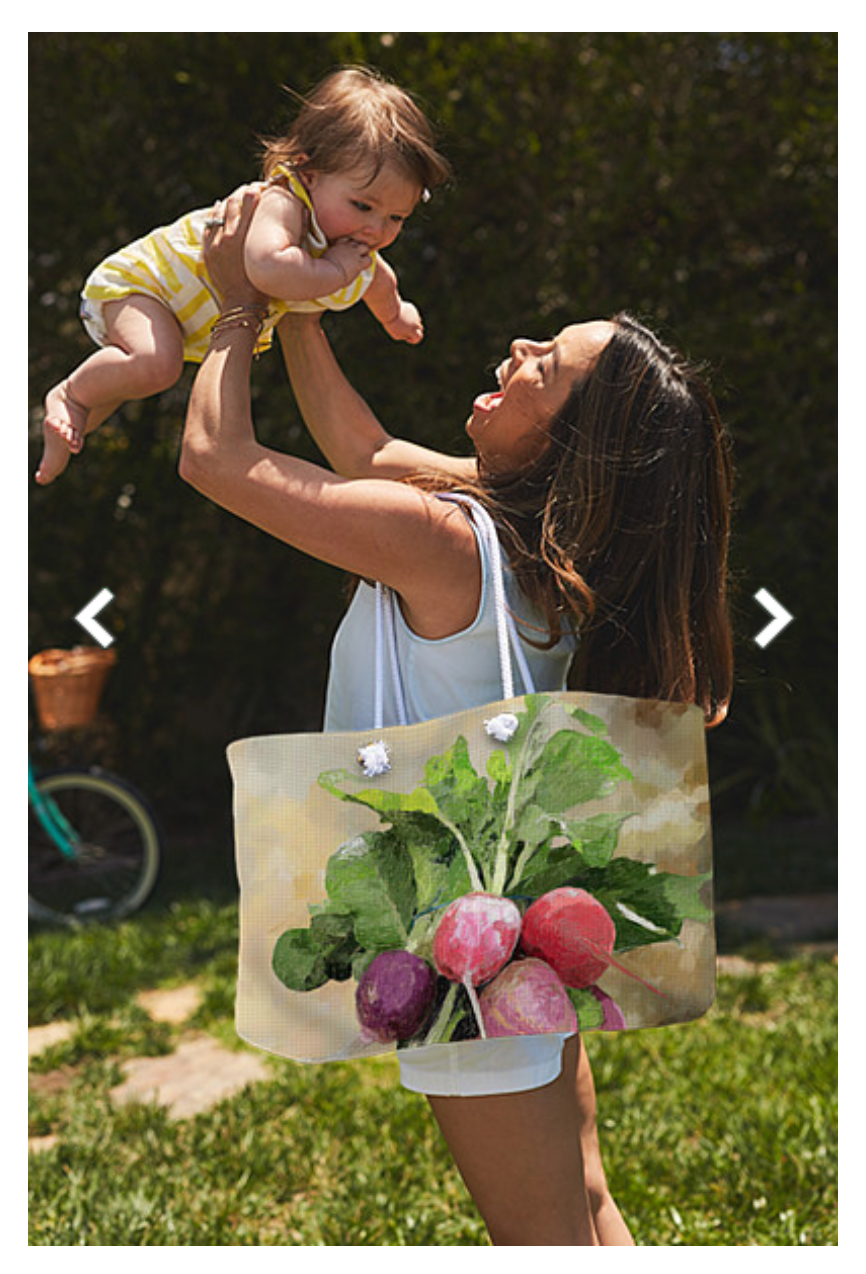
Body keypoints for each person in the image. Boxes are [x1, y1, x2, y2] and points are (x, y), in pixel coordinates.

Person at [179, 188, 734, 1246]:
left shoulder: (445, 537)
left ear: (575, 443)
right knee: (585, 1211)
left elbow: (213, 459)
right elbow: (358, 442)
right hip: (510, 952)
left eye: (549, 366)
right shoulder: (535, 548)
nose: (521, 346)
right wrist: (305, 291)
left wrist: (238, 308)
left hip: (466, 978)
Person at [35, 65, 450, 485]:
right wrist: (335, 269)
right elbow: (267, 269)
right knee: (154, 365)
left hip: (178, 317)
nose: (376, 229)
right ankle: (68, 394)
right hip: (148, 287)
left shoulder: (351, 245)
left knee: (133, 380)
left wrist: (394, 314)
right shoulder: (285, 204)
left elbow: (378, 280)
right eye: (363, 206)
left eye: (396, 217)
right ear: (309, 173)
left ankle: (66, 431)